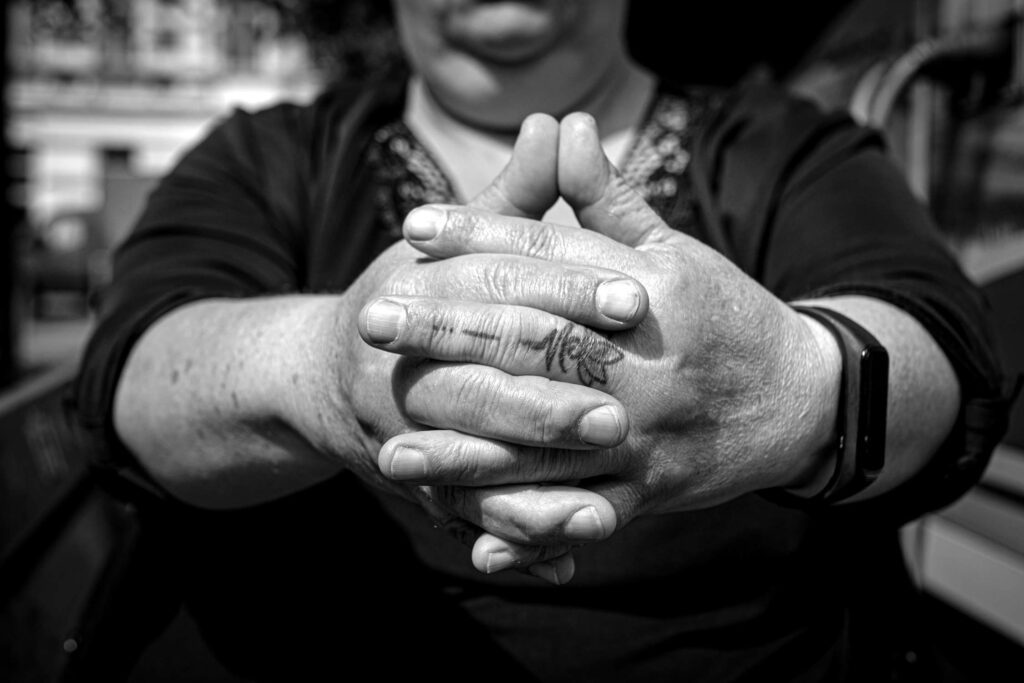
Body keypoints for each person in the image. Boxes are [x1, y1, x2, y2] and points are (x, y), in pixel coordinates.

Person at [71, 1, 1014, 681]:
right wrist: (320, 368)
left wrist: (800, 386)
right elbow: (139, 370)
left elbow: (934, 345)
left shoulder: (795, 147)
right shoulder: (267, 154)